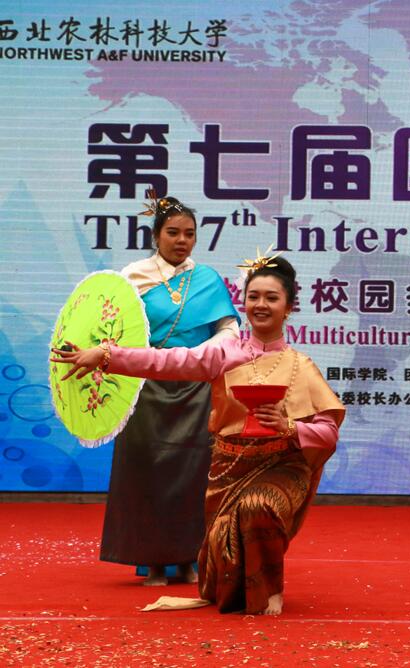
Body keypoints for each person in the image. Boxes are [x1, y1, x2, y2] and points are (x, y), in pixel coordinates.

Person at [52, 254, 344, 616]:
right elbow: (166, 361)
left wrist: (289, 427)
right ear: (243, 303)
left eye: (272, 298)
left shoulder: (301, 366)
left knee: (259, 506)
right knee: (224, 577)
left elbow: (328, 433)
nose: (261, 305)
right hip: (228, 472)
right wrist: (107, 355)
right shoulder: (225, 352)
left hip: (280, 469)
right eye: (253, 297)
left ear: (289, 308)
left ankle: (271, 589)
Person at [102, 194, 240, 586]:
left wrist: (202, 355)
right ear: (156, 235)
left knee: (195, 474)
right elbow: (112, 332)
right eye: (173, 232)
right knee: (147, 471)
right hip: (145, 388)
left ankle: (188, 559)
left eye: (189, 234)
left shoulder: (207, 279)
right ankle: (154, 562)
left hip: (196, 388)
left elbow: (228, 329)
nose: (182, 240)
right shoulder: (133, 278)